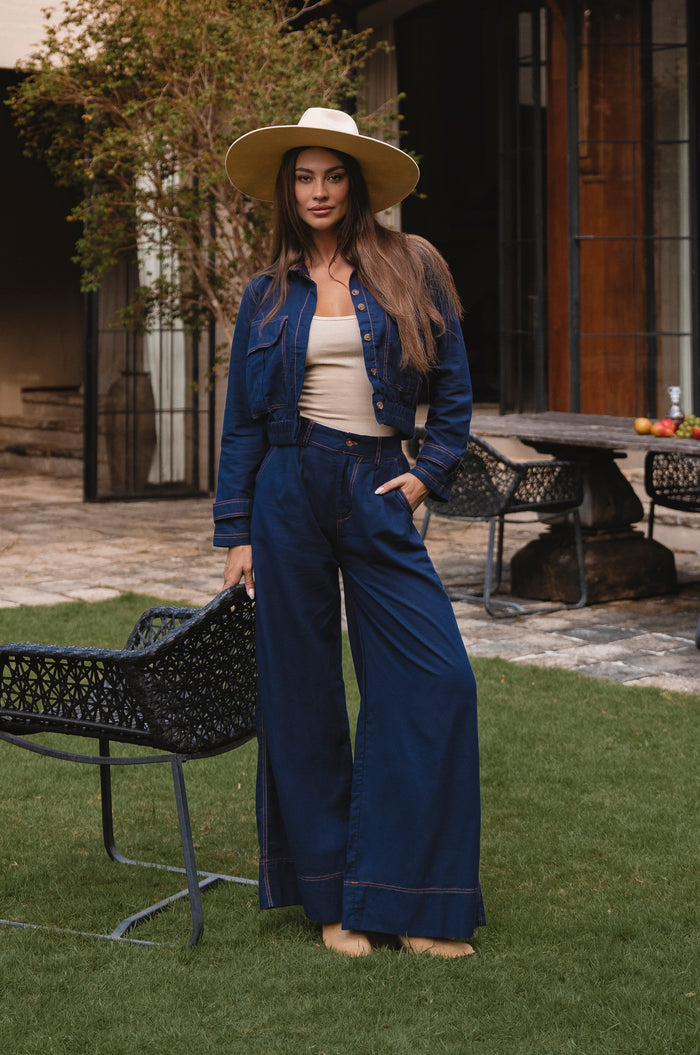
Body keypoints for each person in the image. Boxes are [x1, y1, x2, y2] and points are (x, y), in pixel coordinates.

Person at [214, 107, 484, 958]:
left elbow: (454, 391)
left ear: (357, 184)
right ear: (288, 190)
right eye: (305, 176)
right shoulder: (266, 293)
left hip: (375, 484)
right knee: (302, 696)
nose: (320, 190)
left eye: (334, 175)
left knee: (435, 681)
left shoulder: (414, 265)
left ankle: (414, 899)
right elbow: (243, 425)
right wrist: (236, 531)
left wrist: (426, 473)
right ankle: (331, 897)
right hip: (286, 489)